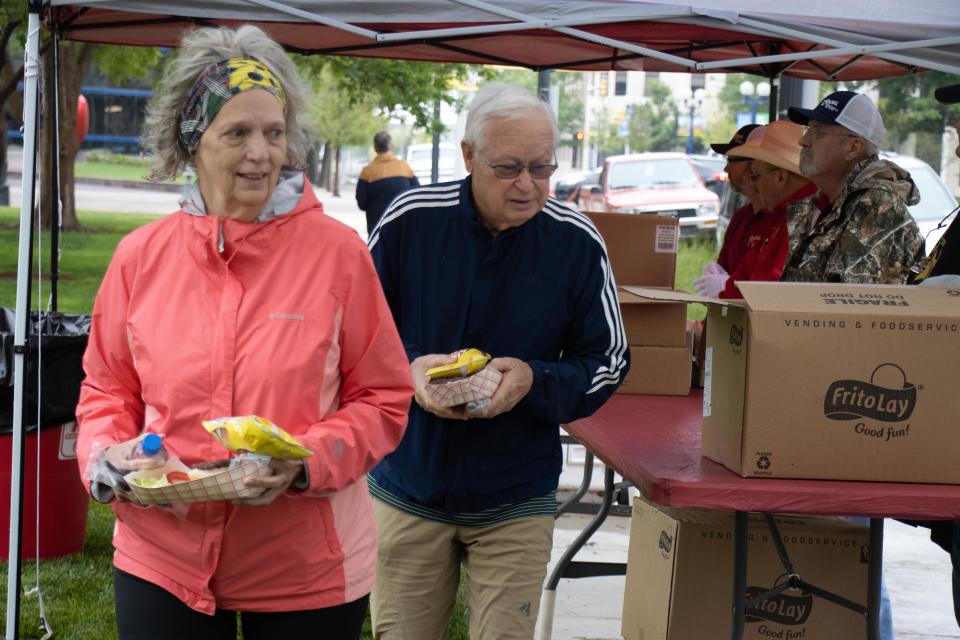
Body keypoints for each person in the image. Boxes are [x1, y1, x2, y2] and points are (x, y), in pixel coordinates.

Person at [75, 25, 414, 640]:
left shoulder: (339, 256)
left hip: (303, 567)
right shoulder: (139, 257)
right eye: (237, 133)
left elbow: (384, 398)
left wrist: (305, 462)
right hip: (162, 559)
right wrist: (106, 455)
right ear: (191, 143)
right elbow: (105, 392)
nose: (262, 153)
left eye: (275, 132)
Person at [366, 82, 630, 639]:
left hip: (515, 493)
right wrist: (410, 372)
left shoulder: (576, 241)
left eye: (542, 168)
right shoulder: (411, 218)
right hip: (408, 484)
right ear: (468, 156)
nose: (528, 185)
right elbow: (353, 332)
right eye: (509, 167)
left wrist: (535, 379)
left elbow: (609, 358)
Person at [782, 90, 923, 283]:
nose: (803, 140)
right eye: (808, 130)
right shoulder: (819, 204)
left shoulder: (878, 206)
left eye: (816, 132)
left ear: (853, 148)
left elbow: (849, 303)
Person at [700, 121, 818, 298]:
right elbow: (752, 274)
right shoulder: (782, 215)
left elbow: (767, 290)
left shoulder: (801, 216)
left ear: (780, 177)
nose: (754, 183)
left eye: (756, 175)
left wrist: (724, 290)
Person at [356, 131, 420, 234]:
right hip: (404, 226)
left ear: (375, 148)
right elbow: (417, 194)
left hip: (377, 229)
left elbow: (362, 203)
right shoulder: (405, 167)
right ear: (391, 146)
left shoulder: (367, 172)